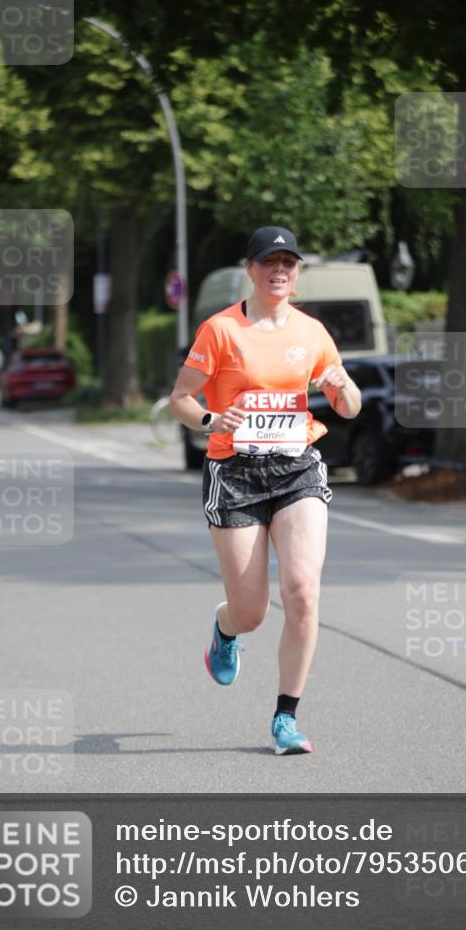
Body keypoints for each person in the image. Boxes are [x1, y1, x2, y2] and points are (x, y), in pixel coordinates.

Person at [170, 226, 362, 755]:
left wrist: (345, 390)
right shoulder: (220, 330)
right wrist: (211, 417)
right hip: (234, 473)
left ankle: (286, 717)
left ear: (296, 273)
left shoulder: (313, 332)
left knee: (302, 590)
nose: (279, 270)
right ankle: (225, 628)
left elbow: (347, 402)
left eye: (288, 263)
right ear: (250, 269)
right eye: (269, 262)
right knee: (251, 610)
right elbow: (180, 399)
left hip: (297, 466)